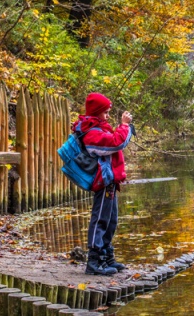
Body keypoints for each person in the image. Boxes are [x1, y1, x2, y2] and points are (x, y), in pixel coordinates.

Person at [72, 92, 133, 276]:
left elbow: (117, 141)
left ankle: (107, 256)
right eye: (105, 112)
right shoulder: (91, 132)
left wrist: (124, 128)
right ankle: (94, 261)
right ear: (96, 112)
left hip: (111, 182)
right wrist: (124, 125)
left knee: (111, 220)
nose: (107, 116)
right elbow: (116, 143)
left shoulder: (100, 128)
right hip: (103, 182)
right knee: (100, 220)